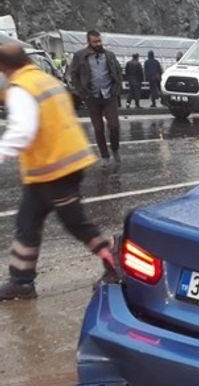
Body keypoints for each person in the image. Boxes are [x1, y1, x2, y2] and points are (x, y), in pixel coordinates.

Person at [0, 43, 116, 301]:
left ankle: (114, 263)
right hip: (49, 170)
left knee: (76, 224)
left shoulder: (21, 89)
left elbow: (22, 131)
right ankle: (21, 281)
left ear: (5, 68)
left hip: (57, 170)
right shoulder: (44, 80)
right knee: (27, 223)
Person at [69, 30, 122, 166]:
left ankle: (115, 149)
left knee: (114, 125)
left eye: (99, 41)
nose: (98, 44)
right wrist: (82, 92)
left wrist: (117, 89)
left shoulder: (109, 55)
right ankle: (104, 155)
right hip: (92, 97)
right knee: (98, 129)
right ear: (89, 42)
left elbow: (118, 71)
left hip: (109, 95)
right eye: (95, 42)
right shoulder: (80, 56)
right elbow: (73, 74)